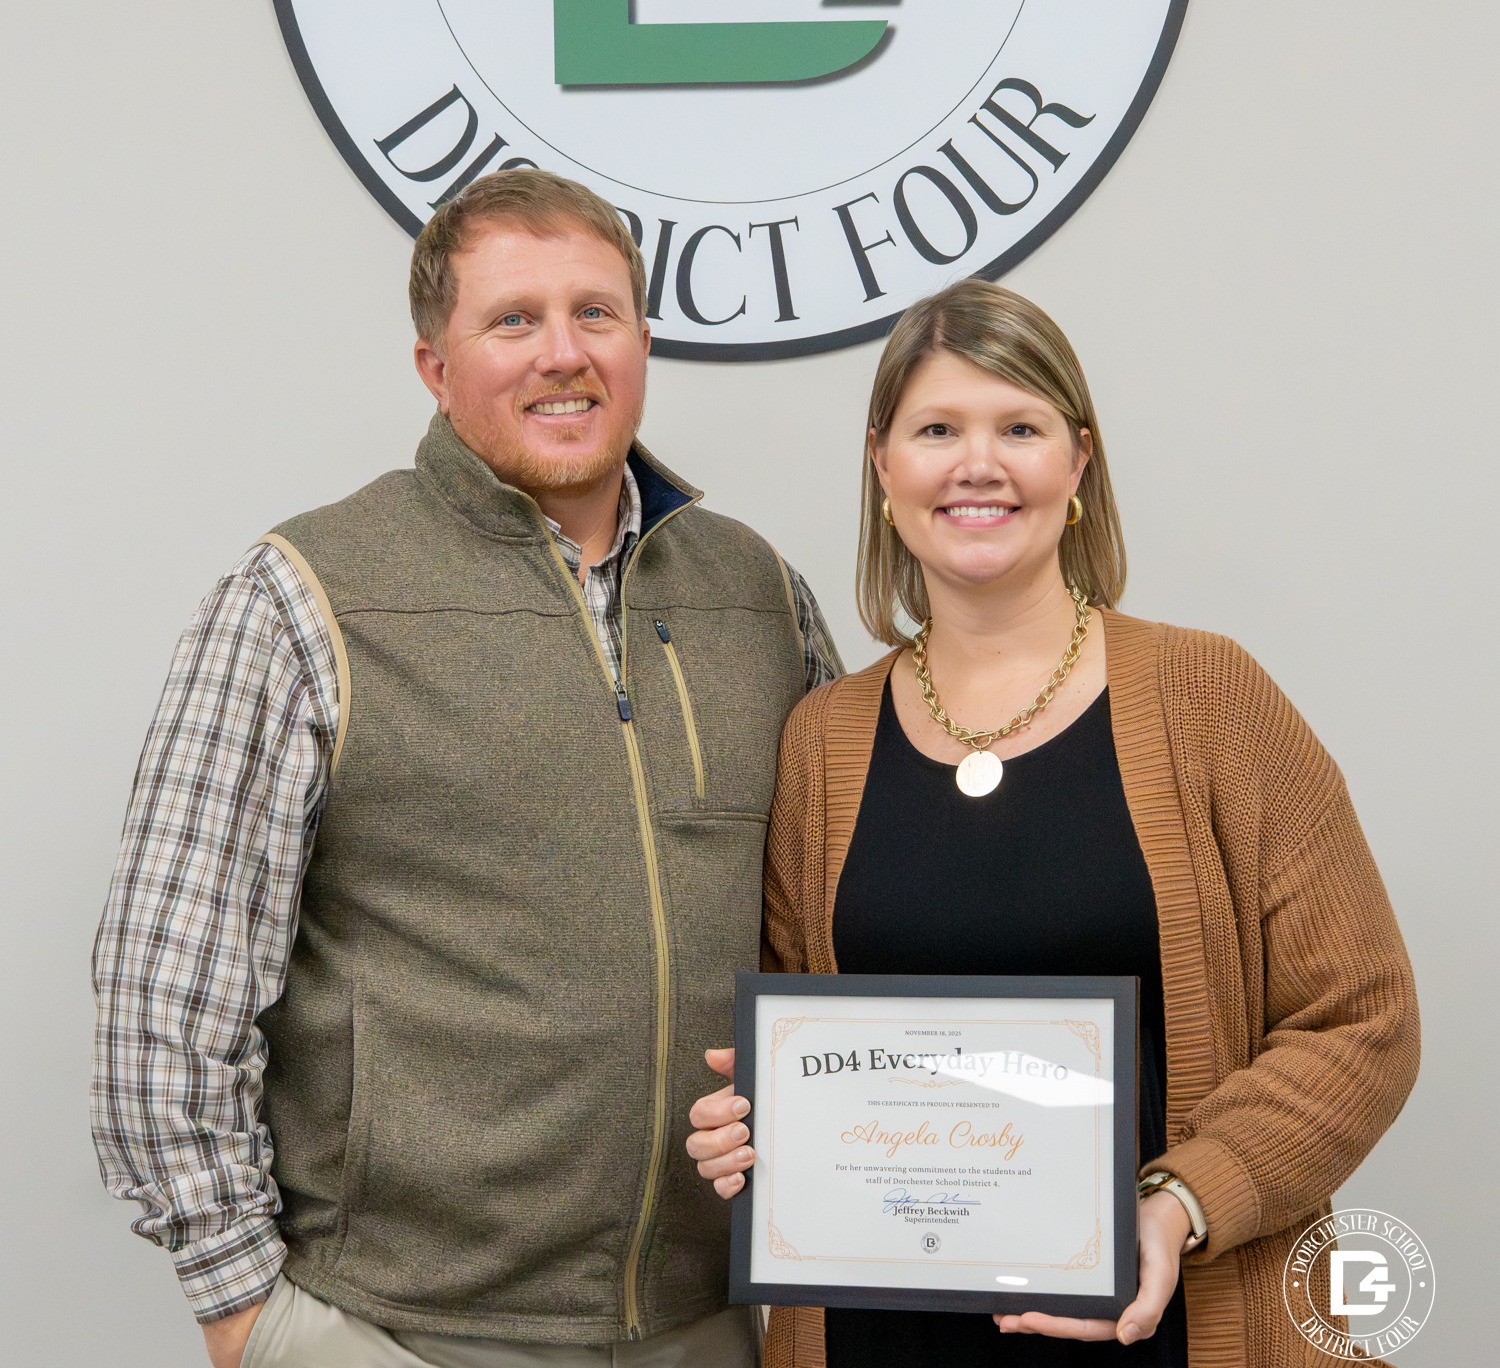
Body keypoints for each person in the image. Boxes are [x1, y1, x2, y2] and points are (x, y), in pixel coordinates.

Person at [91, 169, 841, 1368]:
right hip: (402, 1332)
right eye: (513, 320)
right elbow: (163, 999)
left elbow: (838, 932)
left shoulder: (757, 595)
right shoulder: (305, 597)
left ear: (644, 343)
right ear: (435, 365)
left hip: (706, 1326)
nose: (563, 354)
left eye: (596, 315)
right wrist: (251, 1320)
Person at [686, 280, 1419, 1367]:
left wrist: (1177, 1203)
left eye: (1018, 428)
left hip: (1169, 1328)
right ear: (884, 464)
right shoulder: (821, 741)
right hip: (880, 1336)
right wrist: (751, 1122)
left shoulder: (1213, 700)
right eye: (938, 430)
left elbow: (1363, 1020)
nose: (978, 464)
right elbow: (800, 1041)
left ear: (1077, 463)